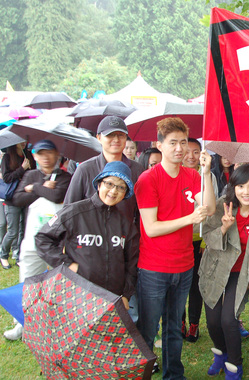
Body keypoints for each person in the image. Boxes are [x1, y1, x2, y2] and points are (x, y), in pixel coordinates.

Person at [134, 117, 216, 380]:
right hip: (154, 268)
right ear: (159, 145)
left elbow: (210, 209)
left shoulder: (192, 176)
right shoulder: (148, 179)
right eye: (173, 143)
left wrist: (205, 174)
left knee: (173, 328)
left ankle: (173, 374)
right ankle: (142, 373)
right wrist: (188, 219)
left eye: (183, 142)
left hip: (184, 266)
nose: (180, 149)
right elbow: (152, 228)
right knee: (147, 329)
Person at [200, 164, 249, 380]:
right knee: (213, 320)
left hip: (241, 273)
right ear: (233, 186)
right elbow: (208, 238)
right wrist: (223, 227)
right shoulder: (224, 205)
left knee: (228, 319)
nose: (246, 191)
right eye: (241, 186)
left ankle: (235, 364)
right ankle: (221, 354)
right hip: (215, 268)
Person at [35, 161, 139, 310]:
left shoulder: (126, 225)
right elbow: (43, 238)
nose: (114, 191)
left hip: (112, 298)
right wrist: (66, 264)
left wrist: (126, 295)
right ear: (99, 185)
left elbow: (131, 263)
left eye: (121, 187)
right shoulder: (75, 212)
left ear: (125, 194)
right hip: (77, 295)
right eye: (109, 184)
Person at [3, 140, 71, 341]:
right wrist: (40, 186)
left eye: (49, 152)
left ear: (57, 154)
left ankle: (55, 323)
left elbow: (58, 194)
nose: (46, 157)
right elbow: (16, 199)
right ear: (34, 156)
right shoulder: (30, 175)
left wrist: (34, 189)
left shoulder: (65, 177)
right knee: (26, 282)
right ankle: (21, 323)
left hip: (57, 242)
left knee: (58, 283)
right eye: (41, 153)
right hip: (32, 240)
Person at [64, 116, 144, 228]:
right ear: (99, 138)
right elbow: (69, 209)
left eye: (120, 135)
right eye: (110, 135)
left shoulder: (137, 170)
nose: (116, 140)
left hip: (126, 238)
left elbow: (142, 211)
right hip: (91, 237)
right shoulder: (85, 169)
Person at [181, 137, 218, 343]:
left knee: (197, 283)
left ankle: (194, 323)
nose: (191, 156)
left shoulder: (208, 176)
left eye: (196, 152)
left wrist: (205, 242)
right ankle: (181, 321)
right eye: (188, 151)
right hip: (180, 239)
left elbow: (212, 211)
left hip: (199, 239)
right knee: (180, 284)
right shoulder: (176, 175)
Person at [0, 142, 36, 269]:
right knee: (12, 231)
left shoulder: (28, 155)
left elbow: (34, 175)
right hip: (12, 199)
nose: (23, 142)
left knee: (24, 229)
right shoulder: (7, 157)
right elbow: (6, 178)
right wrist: (22, 168)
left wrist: (28, 170)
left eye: (25, 139)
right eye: (20, 139)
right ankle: (3, 255)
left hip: (26, 197)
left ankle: (19, 255)